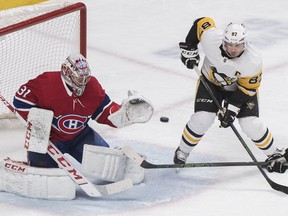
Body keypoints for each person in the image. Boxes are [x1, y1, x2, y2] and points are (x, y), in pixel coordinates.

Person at [173, 17, 288, 173]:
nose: (233, 49)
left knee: (249, 124)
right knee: (202, 118)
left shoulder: (253, 61)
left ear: (244, 44)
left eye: (238, 45)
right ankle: (182, 152)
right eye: (229, 44)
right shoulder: (212, 39)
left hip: (239, 89)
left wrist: (231, 110)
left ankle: (275, 154)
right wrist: (190, 48)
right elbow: (201, 22)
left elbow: (247, 89)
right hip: (211, 83)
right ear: (223, 42)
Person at [13, 53, 153, 169]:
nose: (83, 81)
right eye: (79, 77)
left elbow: (104, 111)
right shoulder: (47, 82)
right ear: (67, 71)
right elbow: (20, 101)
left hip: (80, 136)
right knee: (43, 172)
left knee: (106, 166)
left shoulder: (92, 86)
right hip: (49, 138)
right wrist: (39, 125)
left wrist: (125, 114)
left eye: (85, 77)